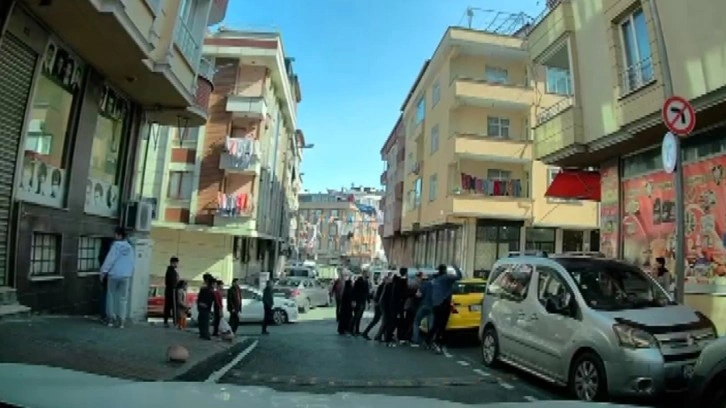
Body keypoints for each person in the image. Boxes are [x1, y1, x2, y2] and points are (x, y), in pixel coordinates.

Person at [100, 227, 135, 328]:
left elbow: (109, 260)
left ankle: (111, 319)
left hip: (114, 274)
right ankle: (122, 321)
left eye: (115, 234)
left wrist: (103, 272)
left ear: (119, 235)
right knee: (123, 298)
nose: (114, 236)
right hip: (125, 276)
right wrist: (129, 273)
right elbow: (132, 263)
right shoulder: (130, 247)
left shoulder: (115, 246)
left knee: (111, 296)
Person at [426, 265, 463, 353]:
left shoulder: (435, 280)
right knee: (442, 325)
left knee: (436, 324)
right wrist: (456, 267)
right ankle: (437, 343)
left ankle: (429, 341)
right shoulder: (446, 278)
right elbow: (459, 277)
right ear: (445, 270)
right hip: (444, 303)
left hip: (436, 304)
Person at [361, 275, 387, 340]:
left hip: (378, 305)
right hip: (379, 305)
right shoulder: (383, 286)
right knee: (377, 320)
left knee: (376, 320)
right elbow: (380, 296)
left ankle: (369, 333)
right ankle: (370, 333)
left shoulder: (381, 286)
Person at [412, 274, 434, 347]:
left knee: (416, 322)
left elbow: (418, 295)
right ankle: (430, 341)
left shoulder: (422, 286)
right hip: (432, 307)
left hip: (423, 305)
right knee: (430, 325)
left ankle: (415, 341)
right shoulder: (434, 286)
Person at [197, 274, 215, 340]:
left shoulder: (204, 289)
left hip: (203, 307)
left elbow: (199, 299)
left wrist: (200, 304)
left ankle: (203, 334)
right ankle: (205, 334)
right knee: (205, 321)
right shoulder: (209, 290)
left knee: (202, 321)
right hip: (205, 307)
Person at [164, 257, 180, 328]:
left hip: (169, 290)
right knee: (173, 306)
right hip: (172, 291)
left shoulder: (170, 271)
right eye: (176, 263)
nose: (177, 264)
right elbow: (173, 282)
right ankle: (174, 322)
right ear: (173, 262)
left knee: (168, 306)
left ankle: (166, 321)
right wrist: (176, 286)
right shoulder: (171, 271)